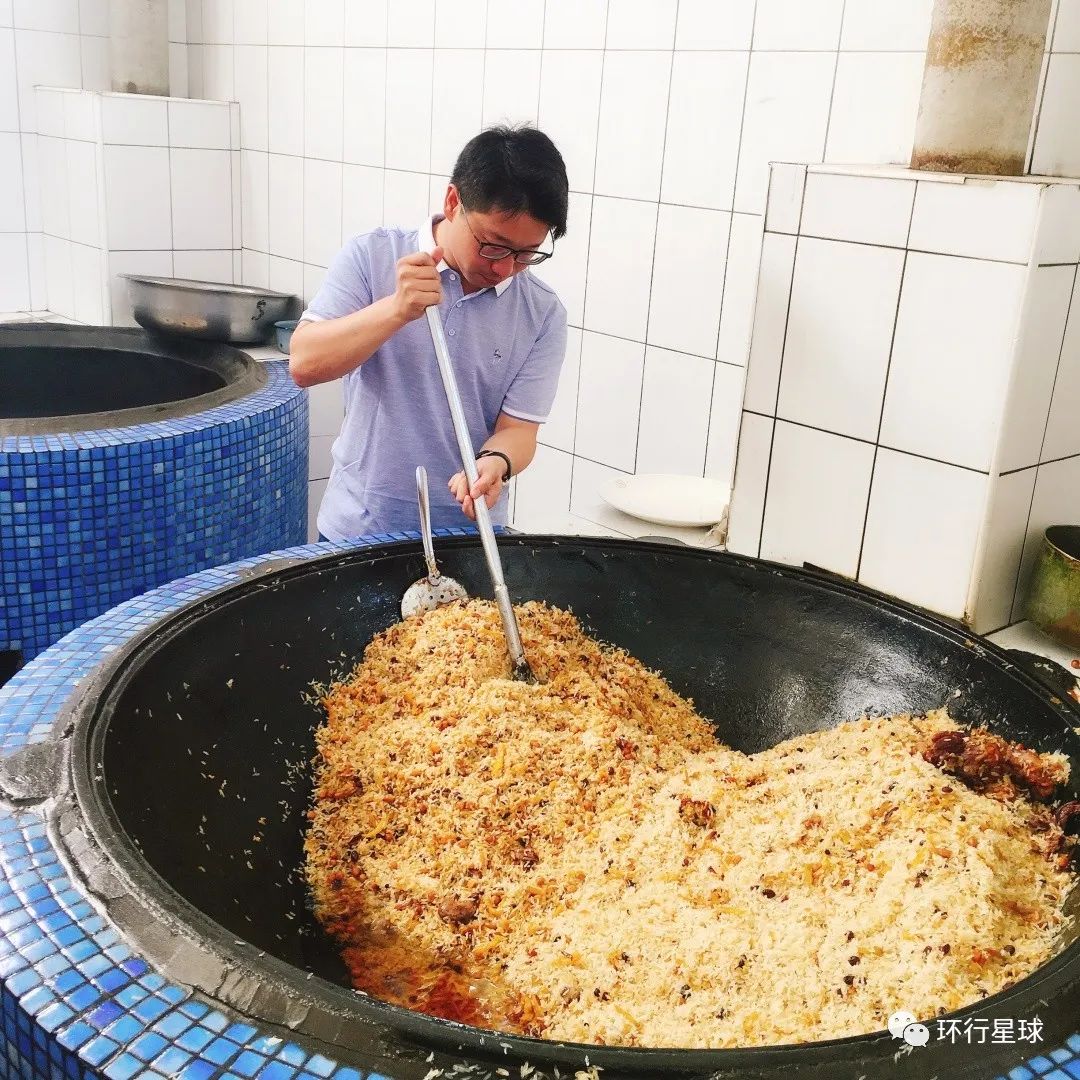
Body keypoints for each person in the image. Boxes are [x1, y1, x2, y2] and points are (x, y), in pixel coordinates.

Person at [290, 125, 569, 541]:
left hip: (470, 535)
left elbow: (519, 430)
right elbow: (304, 364)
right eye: (493, 245)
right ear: (453, 202)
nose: (504, 268)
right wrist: (396, 309)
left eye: (526, 254)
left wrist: (495, 462)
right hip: (360, 528)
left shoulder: (542, 313)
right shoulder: (372, 256)